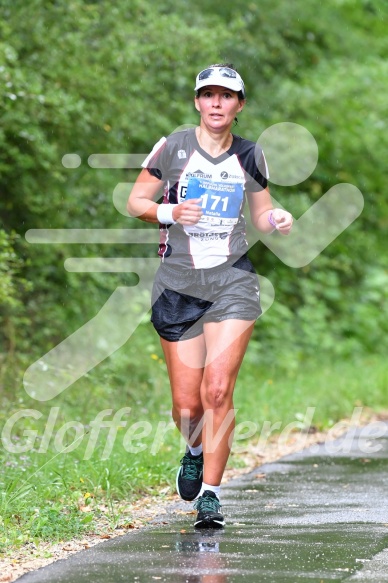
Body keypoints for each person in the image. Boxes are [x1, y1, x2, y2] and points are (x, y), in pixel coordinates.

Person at [127, 64, 293, 529]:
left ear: (239, 105)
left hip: (232, 281)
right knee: (187, 405)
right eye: (208, 95)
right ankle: (195, 450)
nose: (216, 103)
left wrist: (277, 219)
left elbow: (261, 215)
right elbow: (136, 202)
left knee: (218, 390)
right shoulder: (174, 146)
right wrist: (170, 210)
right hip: (178, 283)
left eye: (226, 96)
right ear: (197, 102)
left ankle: (212, 497)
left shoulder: (251, 155)